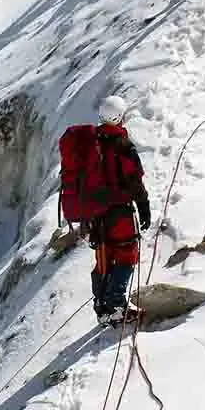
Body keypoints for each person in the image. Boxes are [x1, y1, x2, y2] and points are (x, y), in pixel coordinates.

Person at [75, 96, 150, 325]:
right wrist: (144, 208)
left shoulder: (89, 145)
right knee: (126, 254)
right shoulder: (123, 147)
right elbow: (135, 181)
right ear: (119, 118)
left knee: (104, 259)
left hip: (97, 216)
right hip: (120, 212)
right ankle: (116, 305)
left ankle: (102, 309)